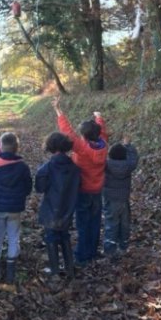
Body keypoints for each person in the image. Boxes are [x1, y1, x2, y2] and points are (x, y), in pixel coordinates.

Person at [52, 97, 108, 267]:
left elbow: (67, 132)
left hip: (83, 190)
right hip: (97, 190)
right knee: (95, 221)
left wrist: (58, 110)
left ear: (83, 136)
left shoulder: (82, 148)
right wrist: (99, 118)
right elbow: (102, 131)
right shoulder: (103, 144)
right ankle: (92, 252)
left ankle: (82, 256)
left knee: (83, 223)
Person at [0, 132, 32, 286]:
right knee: (14, 237)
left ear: (1, 146)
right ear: (16, 147)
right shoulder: (22, 166)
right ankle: (11, 272)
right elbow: (28, 186)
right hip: (15, 207)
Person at [35, 132, 81, 279]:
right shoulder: (75, 167)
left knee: (51, 237)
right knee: (65, 236)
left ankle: (55, 270)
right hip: (68, 208)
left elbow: (40, 188)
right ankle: (70, 268)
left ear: (50, 147)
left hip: (51, 208)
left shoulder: (46, 168)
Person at [102, 136, 139, 260]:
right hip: (124, 199)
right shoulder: (128, 166)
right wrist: (128, 146)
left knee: (111, 223)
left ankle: (110, 249)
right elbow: (134, 158)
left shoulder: (106, 165)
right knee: (124, 223)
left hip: (110, 198)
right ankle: (123, 246)